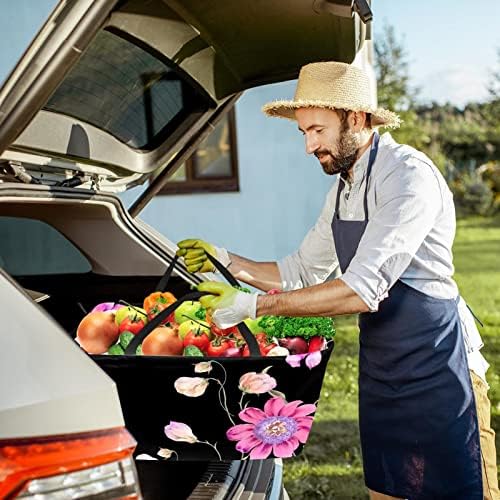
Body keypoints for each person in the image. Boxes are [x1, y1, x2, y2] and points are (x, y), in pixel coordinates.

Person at [176, 62, 498, 500]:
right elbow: (302, 271)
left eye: (318, 130)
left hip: (439, 366)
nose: (309, 146)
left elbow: (362, 289)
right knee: (388, 490)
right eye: (304, 133)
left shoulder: (407, 177)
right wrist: (228, 260)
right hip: (383, 367)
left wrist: (255, 306)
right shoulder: (344, 188)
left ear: (357, 118)